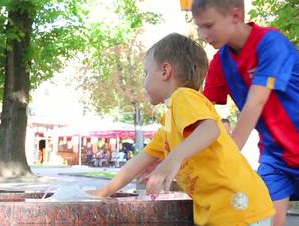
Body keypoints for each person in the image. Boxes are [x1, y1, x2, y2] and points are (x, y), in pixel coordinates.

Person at [89, 33, 275, 225]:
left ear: (165, 71)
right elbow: (138, 162)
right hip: (224, 210)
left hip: (238, 206)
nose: (144, 82)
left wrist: (172, 160)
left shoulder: (184, 96)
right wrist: (103, 192)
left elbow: (211, 129)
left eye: (146, 73)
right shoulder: (170, 123)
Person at [192, 1, 299, 225]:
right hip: (275, 160)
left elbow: (256, 103)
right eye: (199, 27)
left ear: (235, 15)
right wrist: (172, 152)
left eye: (209, 25)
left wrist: (227, 162)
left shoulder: (271, 43)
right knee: (266, 221)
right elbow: (200, 112)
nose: (203, 34)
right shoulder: (220, 63)